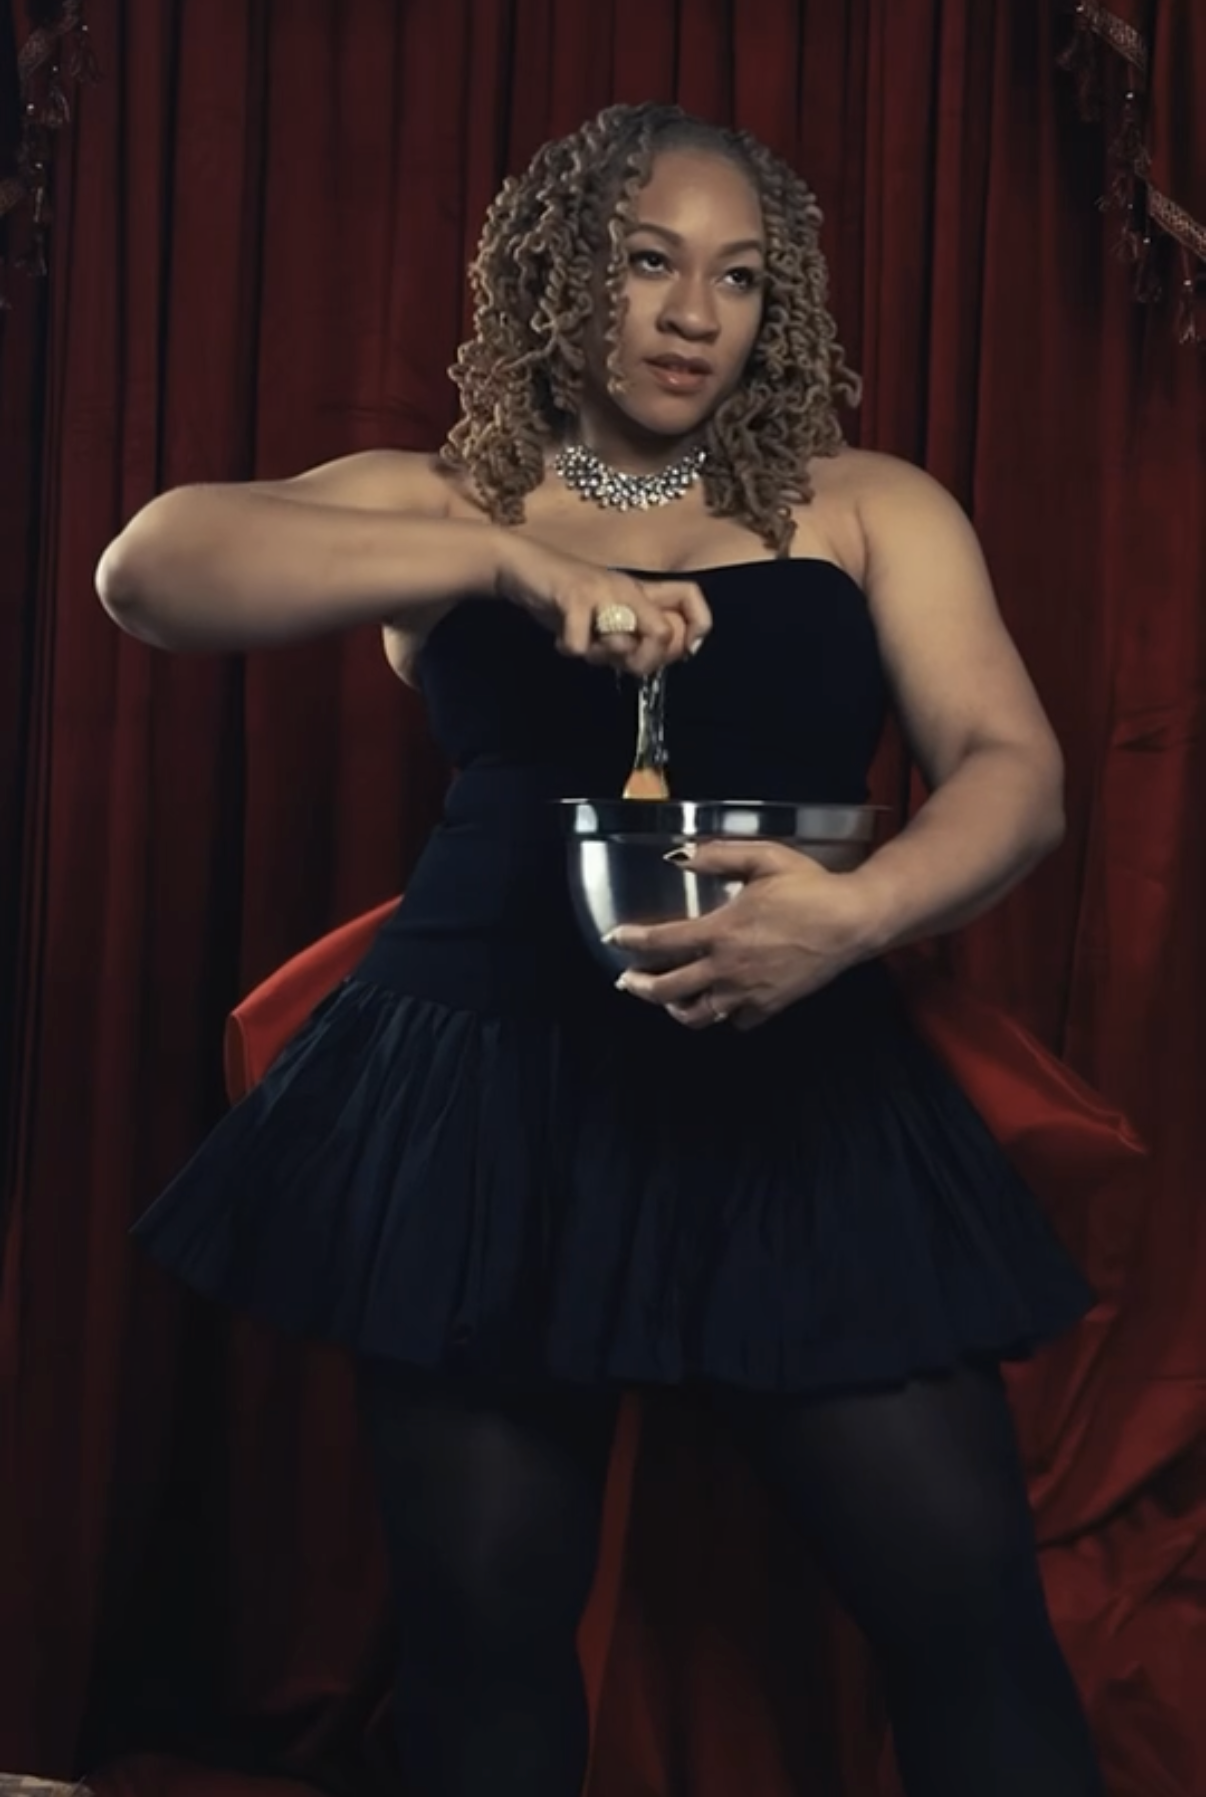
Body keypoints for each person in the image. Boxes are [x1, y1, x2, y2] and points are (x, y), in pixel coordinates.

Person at [96, 102, 1106, 1797]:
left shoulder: (862, 507)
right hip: (477, 1093)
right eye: (648, 263)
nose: (693, 315)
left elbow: (1018, 778)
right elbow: (151, 567)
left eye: (737, 279)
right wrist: (500, 556)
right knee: (484, 1638)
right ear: (562, 276)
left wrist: (854, 918)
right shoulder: (443, 498)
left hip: (800, 1082)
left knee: (961, 1610)